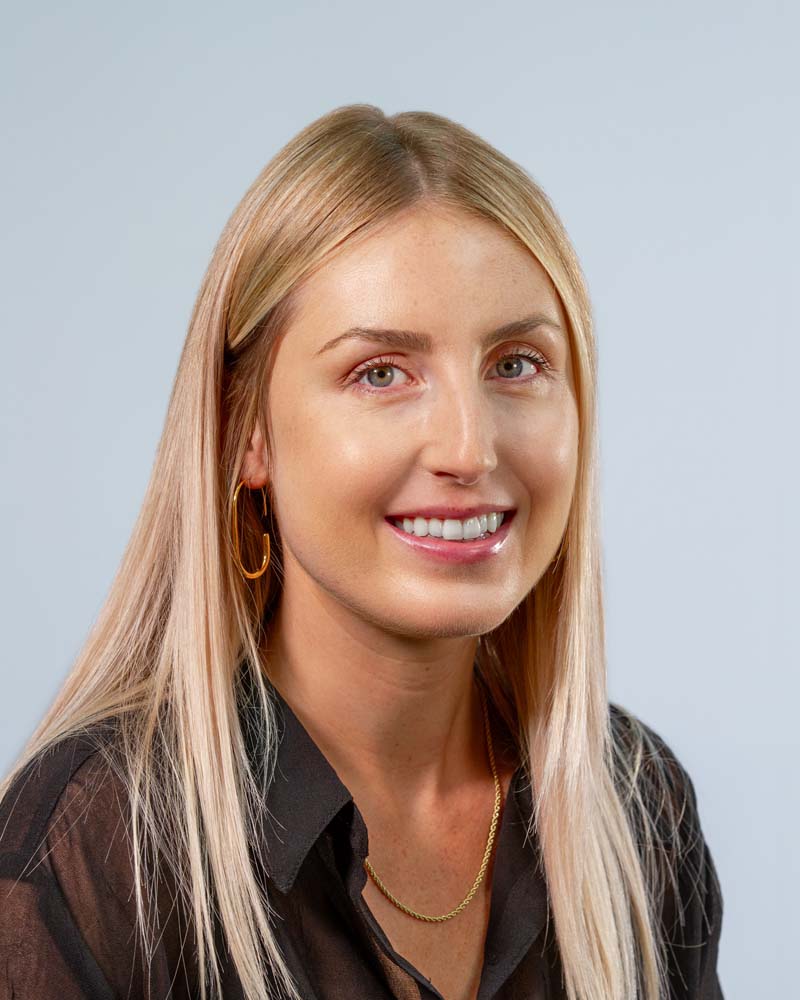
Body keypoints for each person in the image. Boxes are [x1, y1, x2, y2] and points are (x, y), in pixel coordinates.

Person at [0, 104, 724, 1000]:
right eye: (381, 372)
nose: (470, 448)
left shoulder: (637, 811)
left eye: (516, 364)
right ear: (246, 434)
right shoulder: (91, 853)